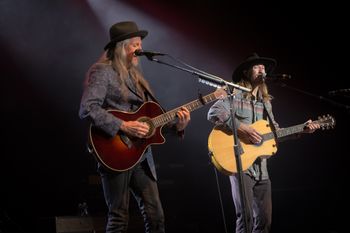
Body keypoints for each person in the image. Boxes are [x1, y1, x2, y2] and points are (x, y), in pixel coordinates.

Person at [79, 21, 190, 233]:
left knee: (156, 217)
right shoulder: (102, 71)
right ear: (121, 47)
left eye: (140, 44)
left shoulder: (137, 77)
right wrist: (124, 126)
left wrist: (178, 125)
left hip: (141, 157)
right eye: (135, 45)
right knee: (119, 217)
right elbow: (87, 108)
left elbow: (151, 123)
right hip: (114, 152)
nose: (140, 50)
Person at [207, 53, 320, 233]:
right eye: (257, 67)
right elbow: (213, 113)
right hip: (240, 165)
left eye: (264, 67)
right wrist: (242, 128)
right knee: (245, 218)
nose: (262, 70)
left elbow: (274, 134)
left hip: (262, 170)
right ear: (246, 72)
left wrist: (301, 129)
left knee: (265, 221)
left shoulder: (265, 104)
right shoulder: (234, 95)